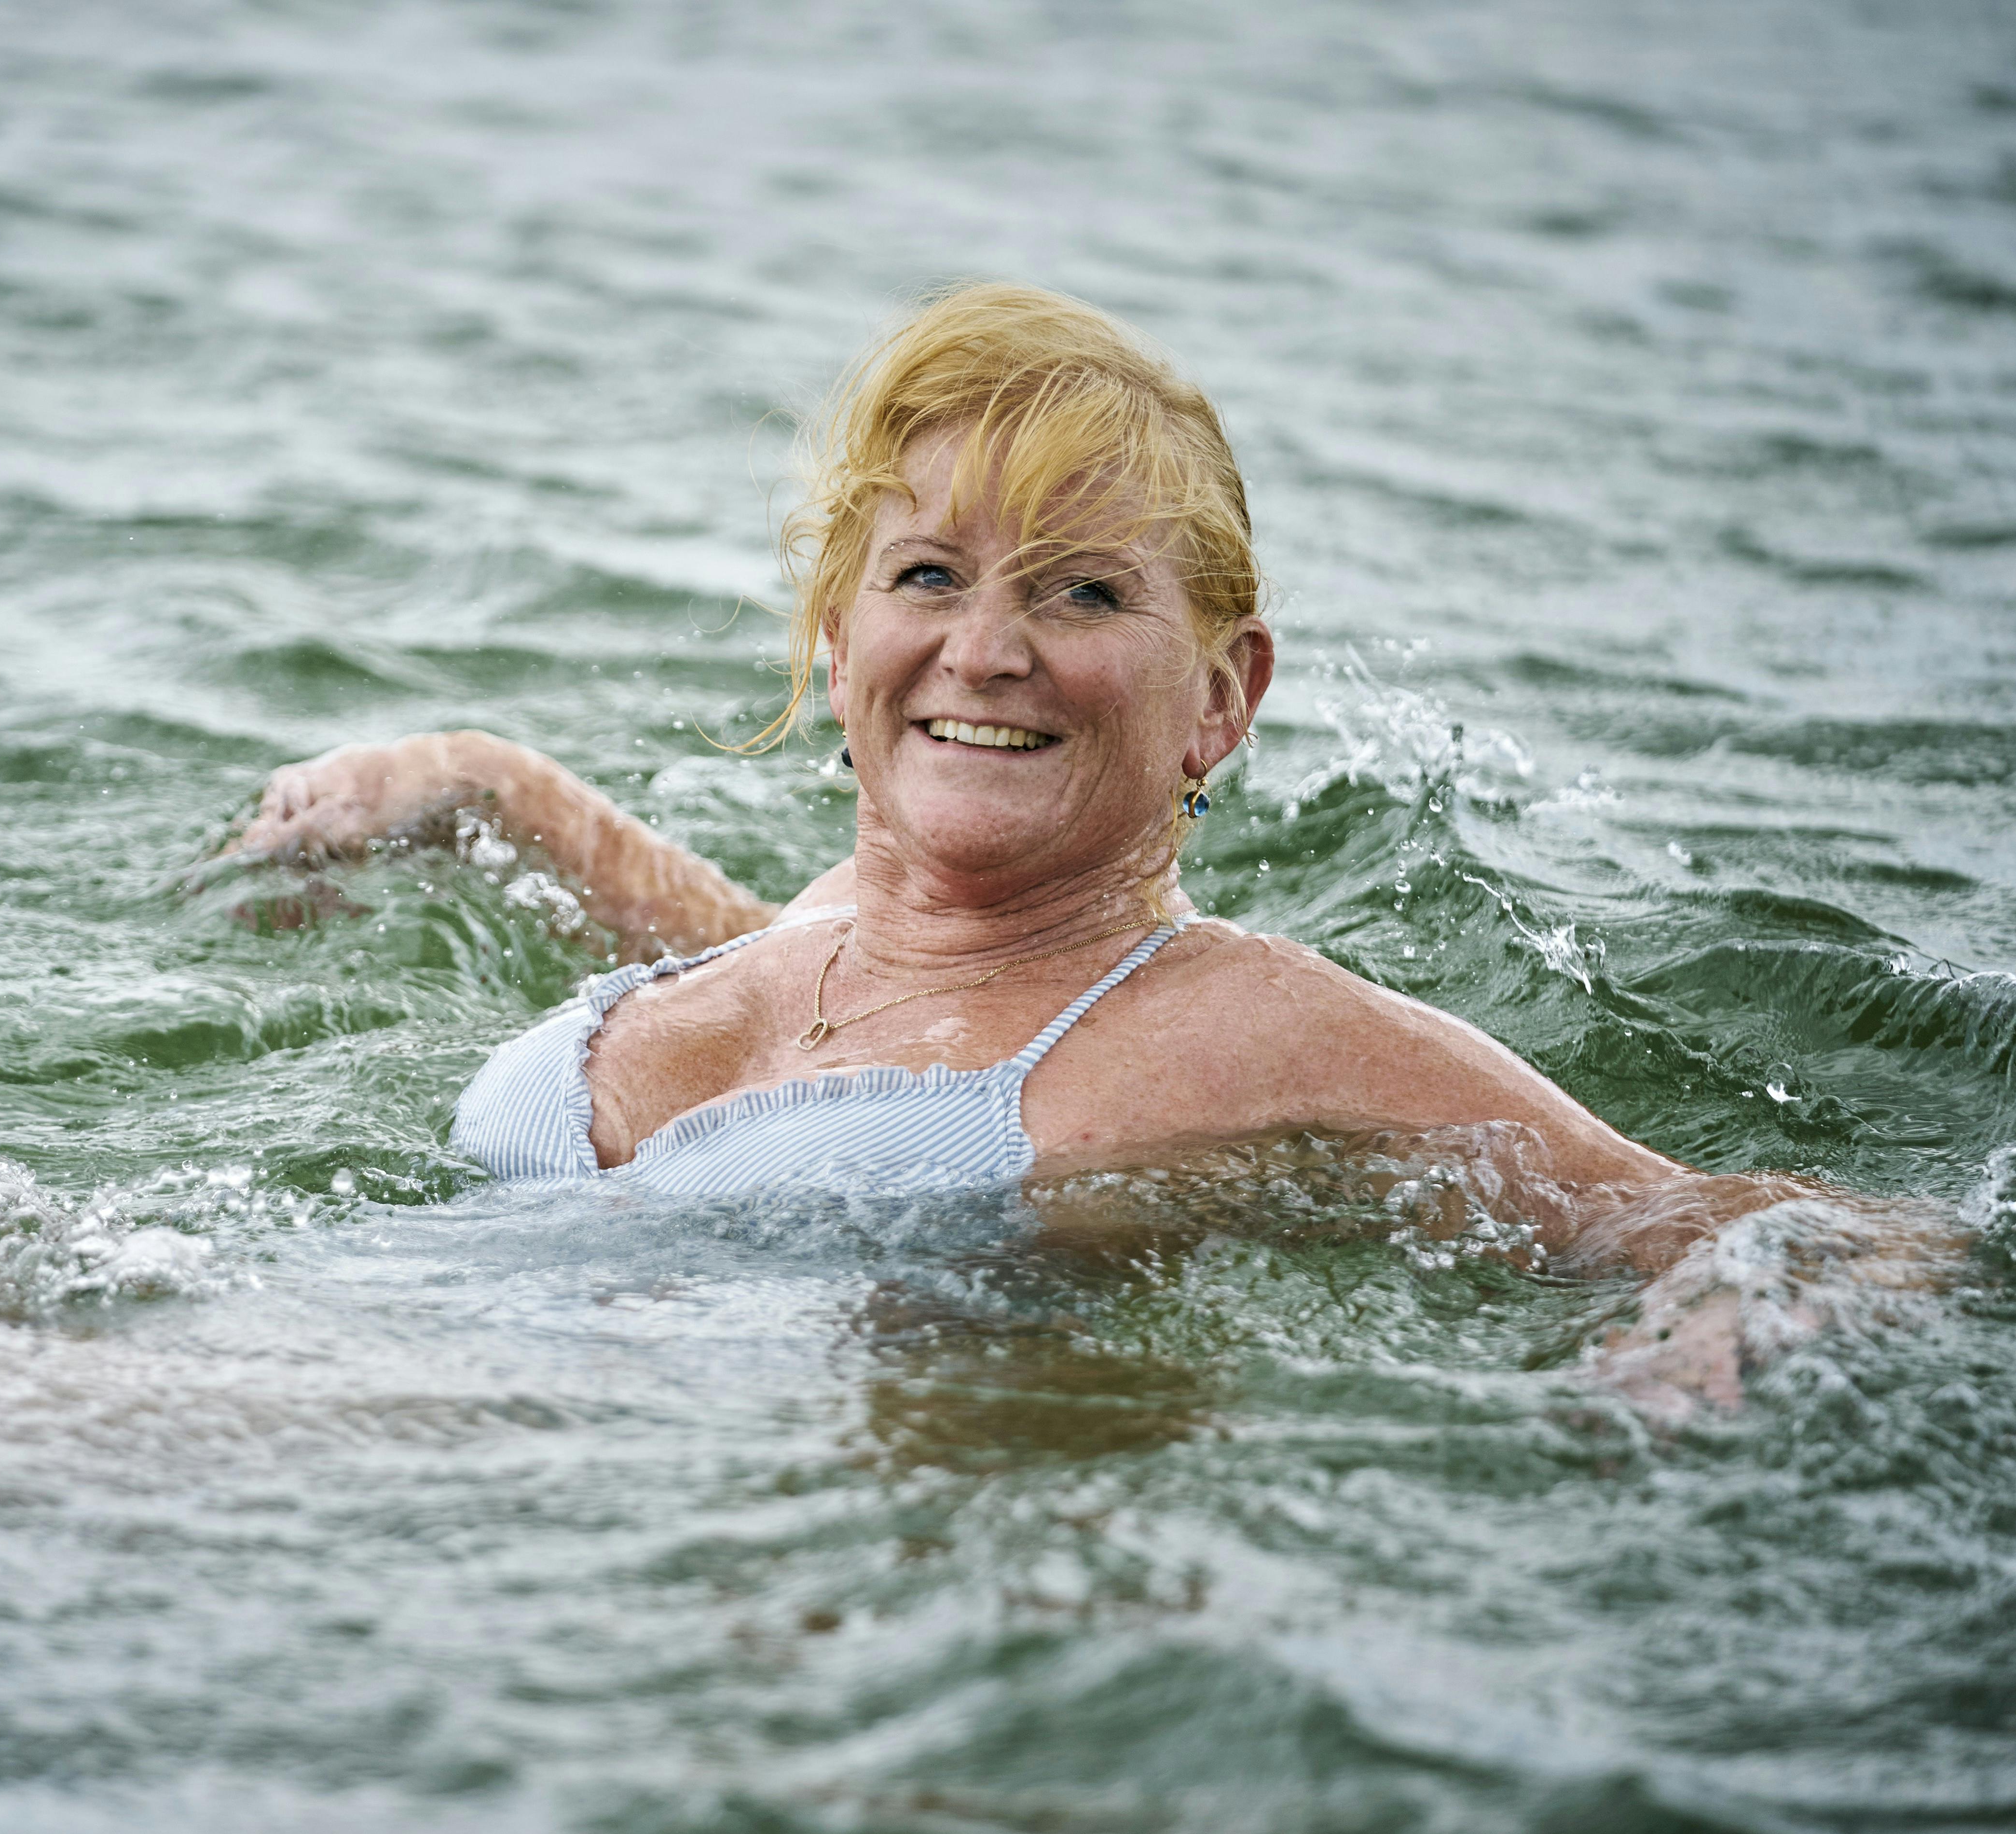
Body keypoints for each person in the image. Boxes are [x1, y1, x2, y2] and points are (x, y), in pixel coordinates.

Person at [230, 281, 1848, 1286]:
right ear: (836, 629)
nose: (987, 650)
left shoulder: (1246, 1031)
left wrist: (1713, 1315)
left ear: (1222, 700)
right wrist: (488, 782)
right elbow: (802, 1007)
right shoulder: (821, 939)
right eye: (929, 574)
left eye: (1082, 593)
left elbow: (1762, 1223)